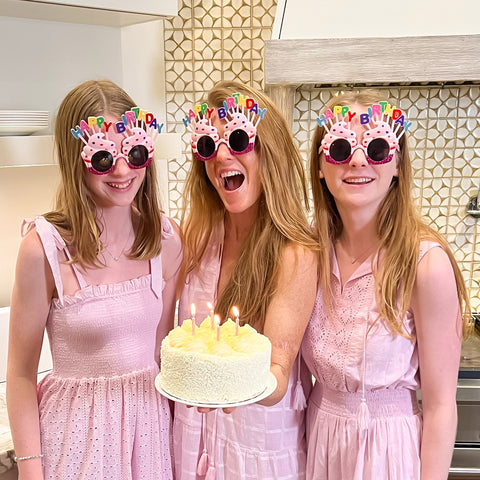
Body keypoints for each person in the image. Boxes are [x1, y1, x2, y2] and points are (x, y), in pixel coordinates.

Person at [6, 79, 182, 480]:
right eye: (103, 157)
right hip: (73, 444)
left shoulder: (166, 240)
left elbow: (162, 356)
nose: (122, 170)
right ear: (76, 160)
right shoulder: (43, 249)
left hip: (149, 441)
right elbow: (18, 375)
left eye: (134, 152)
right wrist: (30, 472)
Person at [302, 89, 471, 479]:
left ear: (396, 163)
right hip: (319, 445)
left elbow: (442, 404)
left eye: (377, 146)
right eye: (341, 147)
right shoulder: (306, 254)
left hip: (388, 453)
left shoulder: (425, 265)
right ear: (321, 167)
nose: (358, 159)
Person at [173, 81, 318, 479]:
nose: (221, 155)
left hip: (259, 452)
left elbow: (278, 374)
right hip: (191, 441)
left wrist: (229, 385)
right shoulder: (197, 239)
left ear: (268, 153)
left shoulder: (295, 253)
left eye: (238, 139)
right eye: (207, 144)